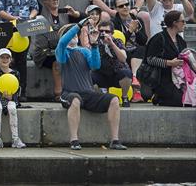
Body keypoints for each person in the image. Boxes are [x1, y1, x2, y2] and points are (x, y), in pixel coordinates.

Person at [55, 21, 127, 150]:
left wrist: (94, 46)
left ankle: (115, 140)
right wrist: (77, 26)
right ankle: (74, 140)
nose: (74, 37)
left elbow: (95, 65)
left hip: (88, 93)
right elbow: (62, 42)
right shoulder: (62, 51)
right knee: (75, 100)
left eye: (75, 35)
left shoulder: (84, 51)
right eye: (71, 35)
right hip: (69, 92)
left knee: (114, 100)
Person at [0, 0, 38, 94]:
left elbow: (35, 8)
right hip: (8, 27)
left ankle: (21, 91)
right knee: (7, 60)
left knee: (22, 61)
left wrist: (30, 17)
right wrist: (14, 18)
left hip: (24, 28)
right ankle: (5, 89)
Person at [144, 10, 188, 106]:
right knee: (179, 100)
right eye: (183, 21)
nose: (185, 24)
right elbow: (150, 59)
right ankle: (158, 96)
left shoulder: (181, 41)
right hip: (161, 78)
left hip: (178, 77)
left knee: (188, 98)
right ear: (175, 23)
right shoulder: (158, 38)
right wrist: (169, 63)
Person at [0, 48, 26, 149]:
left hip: (10, 96)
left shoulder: (15, 73)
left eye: (7, 57)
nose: (5, 60)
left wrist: (12, 97)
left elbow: (17, 88)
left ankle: (15, 138)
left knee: (12, 108)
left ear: (10, 59)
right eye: (2, 57)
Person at [91, 20, 133, 107]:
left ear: (112, 33)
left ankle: (124, 97)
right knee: (89, 75)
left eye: (107, 31)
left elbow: (123, 58)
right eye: (101, 31)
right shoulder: (95, 42)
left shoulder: (117, 41)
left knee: (126, 73)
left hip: (116, 73)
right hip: (101, 73)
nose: (103, 33)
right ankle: (102, 97)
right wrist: (94, 44)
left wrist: (112, 44)